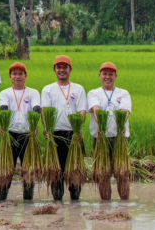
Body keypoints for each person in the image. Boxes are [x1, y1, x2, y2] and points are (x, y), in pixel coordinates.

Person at [41, 55, 87, 201]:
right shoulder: (48, 89)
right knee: (56, 170)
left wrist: (78, 130)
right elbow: (45, 111)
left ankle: (75, 202)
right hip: (54, 134)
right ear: (54, 70)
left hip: (73, 134)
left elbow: (82, 111)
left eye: (65, 67)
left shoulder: (78, 89)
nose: (62, 70)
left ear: (70, 69)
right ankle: (57, 201)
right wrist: (47, 128)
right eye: (58, 67)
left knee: (74, 170)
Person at [0, 63, 41, 201]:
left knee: (28, 170)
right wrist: (3, 125)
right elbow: (4, 108)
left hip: (28, 136)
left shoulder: (33, 92)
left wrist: (34, 125)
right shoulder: (5, 93)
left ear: (26, 76)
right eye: (14, 74)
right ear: (10, 77)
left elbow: (37, 108)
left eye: (21, 73)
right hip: (10, 135)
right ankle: (1, 200)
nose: (18, 76)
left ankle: (28, 201)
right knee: (6, 169)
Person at [87, 62, 131, 201]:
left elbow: (124, 112)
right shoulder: (94, 93)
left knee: (122, 173)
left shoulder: (123, 93)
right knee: (103, 174)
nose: (107, 77)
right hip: (100, 139)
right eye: (104, 74)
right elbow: (96, 109)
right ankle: (105, 207)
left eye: (111, 74)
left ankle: (124, 207)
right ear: (99, 76)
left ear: (116, 76)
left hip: (119, 138)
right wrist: (101, 126)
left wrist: (120, 125)